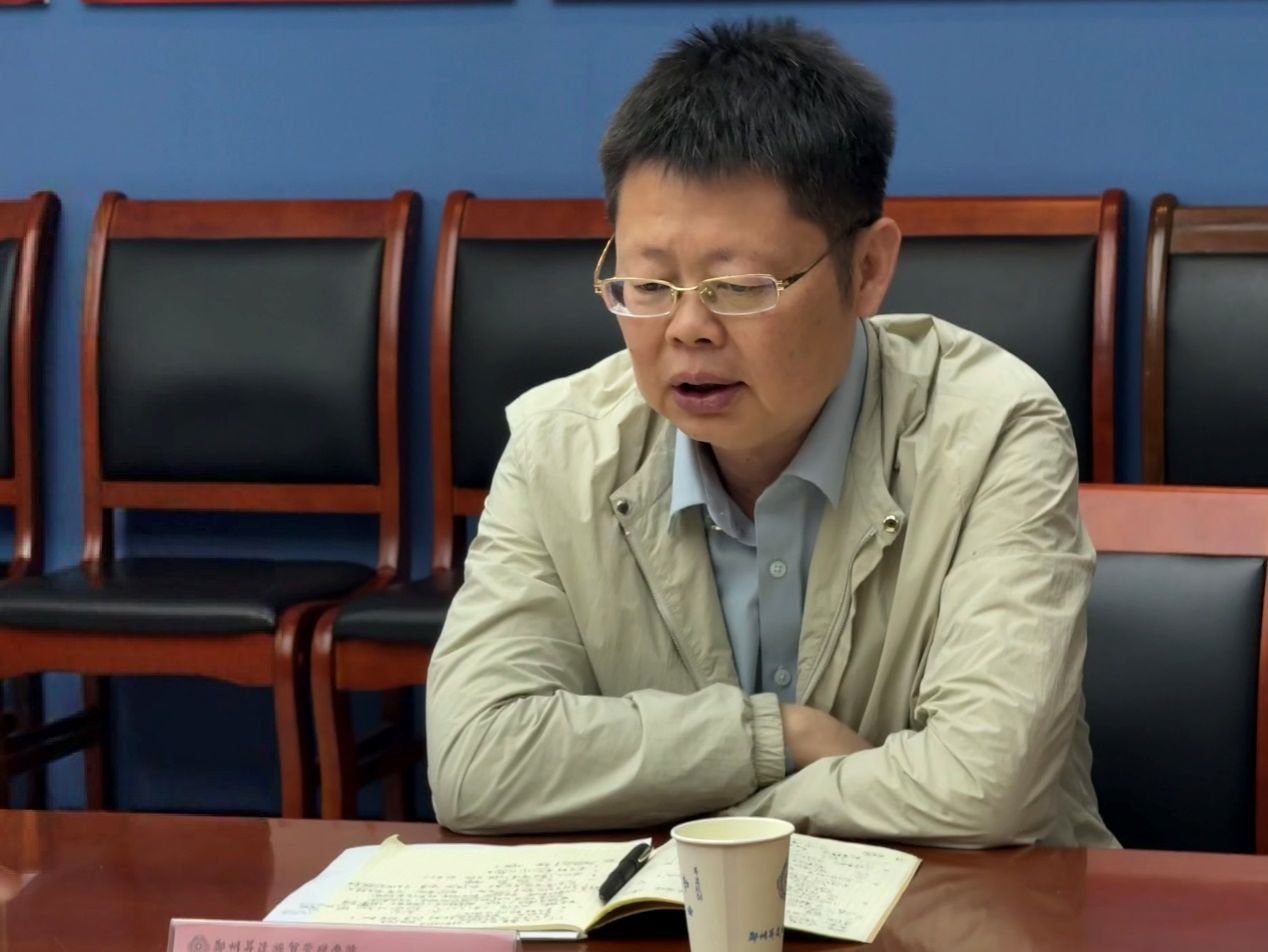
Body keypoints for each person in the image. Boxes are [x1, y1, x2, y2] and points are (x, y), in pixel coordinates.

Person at [425, 18, 1116, 848]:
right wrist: (775, 737)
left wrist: (723, 819)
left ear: (868, 269)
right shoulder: (558, 445)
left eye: (741, 286)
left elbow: (983, 788)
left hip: (972, 901)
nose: (687, 329)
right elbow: (474, 760)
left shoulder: (993, 429)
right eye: (648, 285)